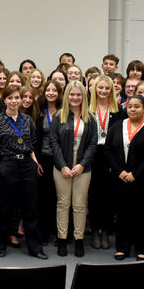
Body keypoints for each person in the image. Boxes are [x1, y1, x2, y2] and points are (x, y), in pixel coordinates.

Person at [0, 84, 47, 260]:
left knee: (31, 208)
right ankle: (1, 243)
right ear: (4, 100)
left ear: (21, 100)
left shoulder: (27, 120)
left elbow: (31, 145)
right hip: (7, 165)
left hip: (27, 165)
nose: (14, 101)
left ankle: (35, 247)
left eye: (17, 98)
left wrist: (35, 164)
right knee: (5, 207)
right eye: (10, 98)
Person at [105, 95, 144, 261]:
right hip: (121, 178)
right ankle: (122, 247)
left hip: (143, 179)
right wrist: (119, 171)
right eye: (130, 106)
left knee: (142, 214)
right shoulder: (116, 127)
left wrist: (135, 174)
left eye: (137, 106)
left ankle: (142, 248)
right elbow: (108, 150)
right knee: (123, 213)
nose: (133, 109)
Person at [50, 80, 97, 257]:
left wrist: (82, 164)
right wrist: (62, 166)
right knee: (63, 204)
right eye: (72, 94)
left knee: (79, 205)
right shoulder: (59, 116)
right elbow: (53, 142)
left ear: (83, 96)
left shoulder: (90, 117)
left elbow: (93, 143)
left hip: (82, 168)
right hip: (62, 167)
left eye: (78, 94)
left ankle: (78, 240)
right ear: (67, 95)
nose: (75, 97)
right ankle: (62, 239)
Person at [88, 75, 122, 250]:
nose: (103, 91)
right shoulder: (87, 109)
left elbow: (119, 138)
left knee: (108, 196)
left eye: (107, 88)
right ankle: (95, 230)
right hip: (92, 156)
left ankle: (106, 230)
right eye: (100, 88)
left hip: (111, 156)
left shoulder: (118, 111)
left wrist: (114, 162)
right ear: (95, 90)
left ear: (111, 90)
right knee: (93, 195)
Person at [35, 80, 62, 244]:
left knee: (59, 197)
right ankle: (44, 231)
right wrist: (36, 161)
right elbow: (35, 139)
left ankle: (59, 231)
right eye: (48, 90)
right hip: (43, 159)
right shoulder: (40, 112)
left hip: (60, 159)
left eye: (54, 90)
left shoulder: (64, 112)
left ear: (59, 93)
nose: (51, 93)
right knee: (44, 197)